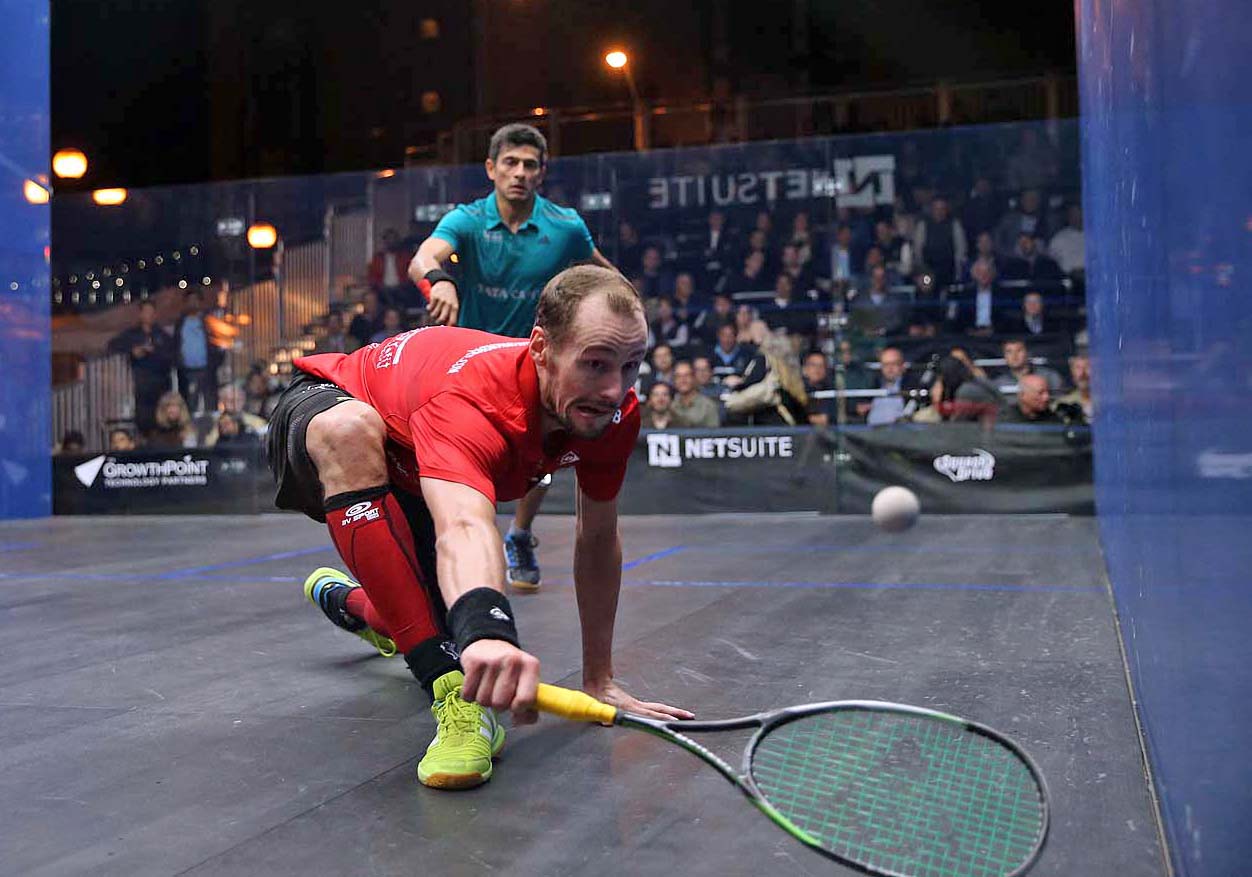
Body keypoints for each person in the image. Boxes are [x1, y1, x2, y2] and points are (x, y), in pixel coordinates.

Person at [266, 265, 691, 790]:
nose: (612, 389)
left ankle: (356, 605)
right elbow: (465, 525)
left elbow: (598, 536)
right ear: (541, 349)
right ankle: (452, 695)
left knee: (421, 613)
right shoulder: (472, 399)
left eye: (630, 366)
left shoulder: (616, 414)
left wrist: (598, 678)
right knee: (348, 430)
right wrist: (489, 632)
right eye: (595, 364)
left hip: (416, 467)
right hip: (331, 404)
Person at [408, 123, 619, 592]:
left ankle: (519, 535)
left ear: (541, 173)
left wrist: (624, 310)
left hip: (534, 362)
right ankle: (450, 545)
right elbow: (422, 257)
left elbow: (604, 276)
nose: (519, 173)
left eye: (529, 165)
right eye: (510, 163)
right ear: (491, 168)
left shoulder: (566, 227)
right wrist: (439, 280)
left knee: (543, 457)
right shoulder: (467, 220)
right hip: (470, 362)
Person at [107, 300, 176, 437]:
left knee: (163, 422)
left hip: (161, 385)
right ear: (140, 314)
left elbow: (172, 356)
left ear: (155, 314)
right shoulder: (132, 334)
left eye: (151, 312)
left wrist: (155, 352)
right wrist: (133, 351)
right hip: (142, 385)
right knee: (144, 422)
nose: (148, 315)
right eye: (145, 311)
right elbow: (113, 345)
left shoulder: (163, 335)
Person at [173, 289, 224, 415]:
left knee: (210, 403)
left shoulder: (209, 322)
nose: (193, 303)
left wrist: (216, 362)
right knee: (189, 405)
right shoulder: (180, 323)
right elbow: (175, 345)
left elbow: (219, 342)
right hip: (187, 371)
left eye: (195, 300)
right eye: (190, 300)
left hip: (207, 370)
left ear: (201, 302)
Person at [862, 347, 918, 425]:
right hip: (870, 430)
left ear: (902, 366)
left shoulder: (913, 386)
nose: (889, 368)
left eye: (894, 364)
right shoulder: (874, 386)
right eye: (886, 364)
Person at [992, 338, 1065, 393]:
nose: (1014, 356)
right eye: (1009, 352)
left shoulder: (1049, 376)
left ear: (1028, 353)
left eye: (1019, 350)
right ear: (1004, 356)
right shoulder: (998, 383)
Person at [670, 361, 720, 428]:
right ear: (674, 381)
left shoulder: (708, 406)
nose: (682, 380)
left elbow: (714, 433)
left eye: (687, 375)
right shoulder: (670, 406)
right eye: (678, 376)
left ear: (694, 378)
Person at [1055, 352, 1094, 422]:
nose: (1082, 373)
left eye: (1087, 366)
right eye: (1078, 368)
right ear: (1072, 372)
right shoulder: (1063, 403)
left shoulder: (1108, 401)